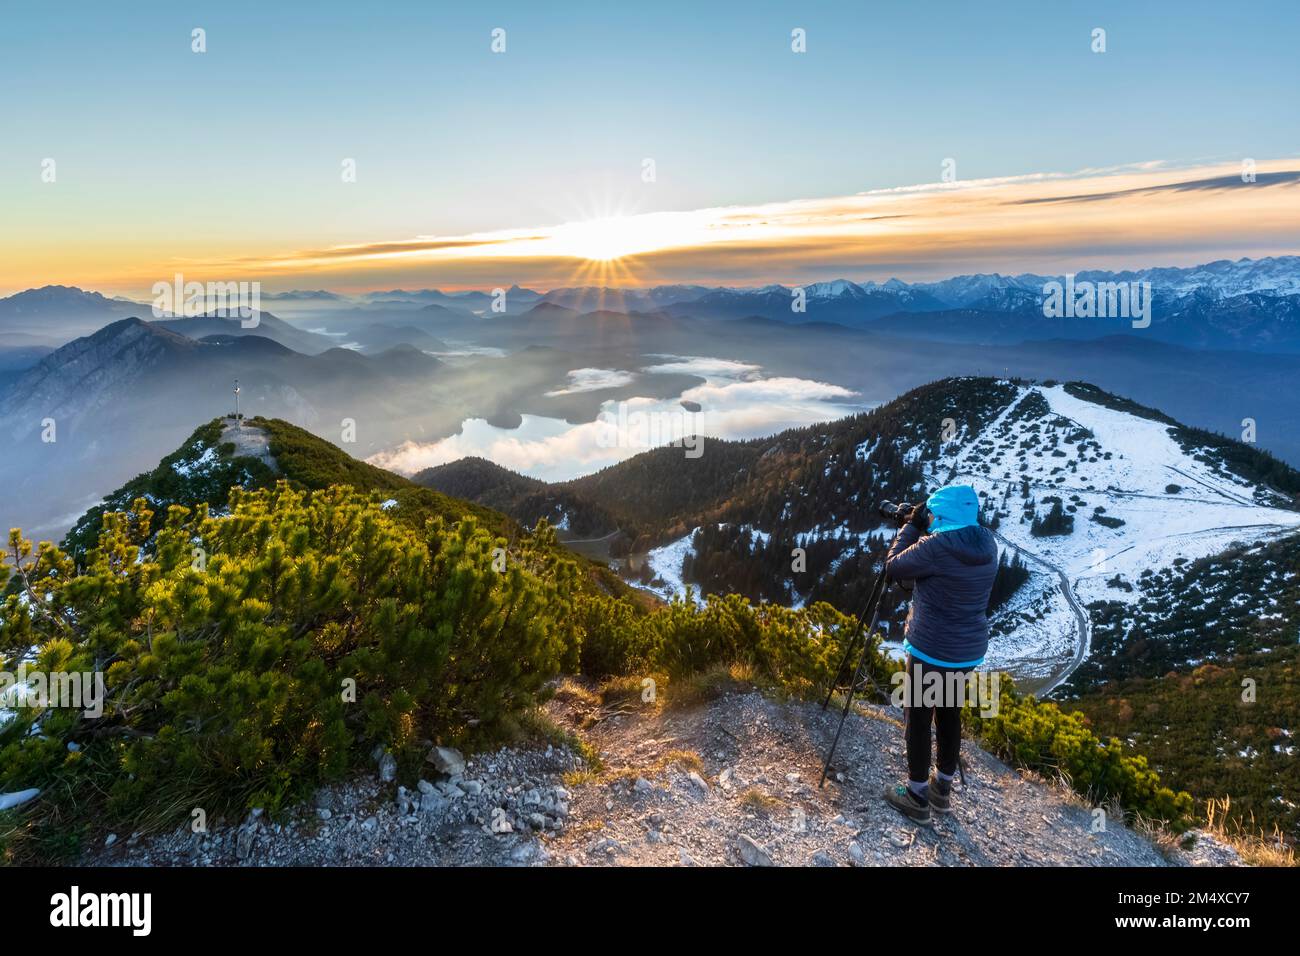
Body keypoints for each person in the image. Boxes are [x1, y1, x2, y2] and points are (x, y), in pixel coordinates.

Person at [882, 484, 997, 823]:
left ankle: (916, 796)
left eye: (932, 513)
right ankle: (941, 789)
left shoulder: (936, 545)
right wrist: (925, 522)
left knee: (917, 716)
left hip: (931, 647)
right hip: (966, 651)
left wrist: (912, 526)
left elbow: (894, 567)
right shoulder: (986, 542)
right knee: (949, 712)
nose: (928, 517)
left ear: (942, 515)